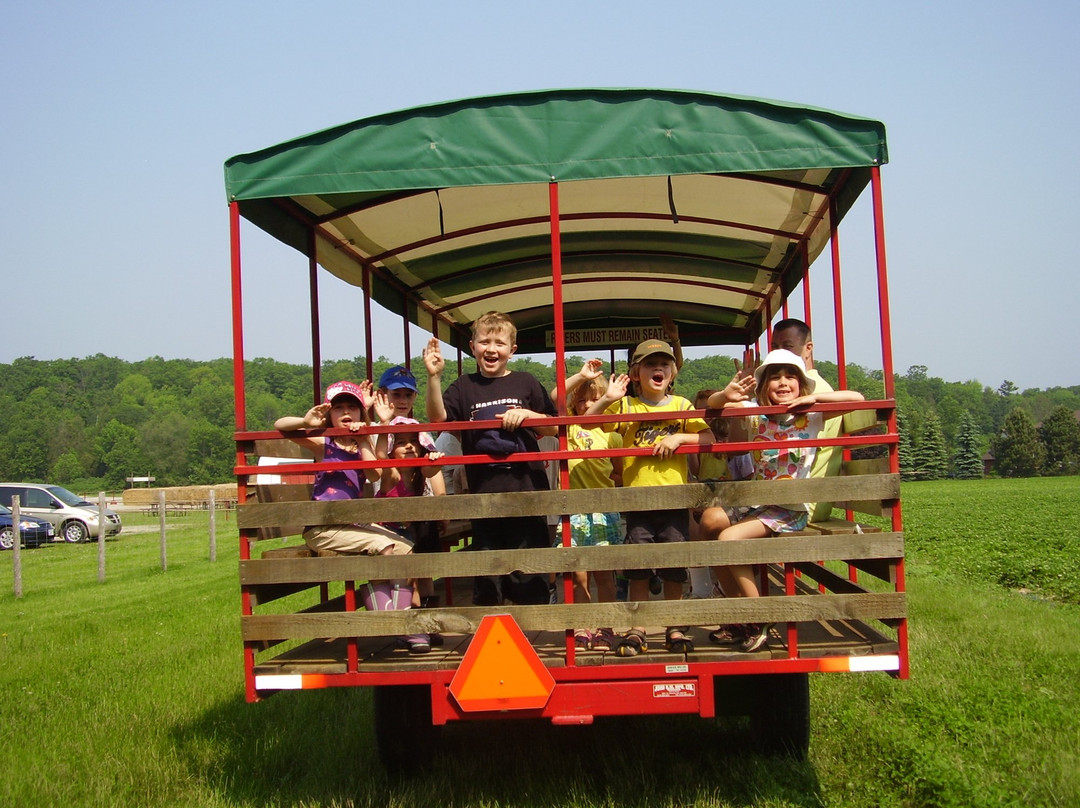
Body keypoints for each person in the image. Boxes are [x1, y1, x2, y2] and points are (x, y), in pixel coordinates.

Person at [706, 349, 865, 652]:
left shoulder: (812, 416)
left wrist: (814, 399)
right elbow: (715, 404)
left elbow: (857, 398)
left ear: (801, 385)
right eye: (775, 377)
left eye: (790, 376)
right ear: (763, 385)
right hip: (757, 502)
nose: (783, 382)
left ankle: (759, 615)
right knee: (710, 521)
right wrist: (728, 392)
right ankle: (737, 613)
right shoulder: (755, 413)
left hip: (788, 507)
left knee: (728, 540)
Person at [274, 380, 430, 654]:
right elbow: (280, 425)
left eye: (352, 408)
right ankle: (404, 627)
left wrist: (364, 437)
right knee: (387, 547)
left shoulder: (360, 444)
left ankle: (397, 621)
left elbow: (373, 473)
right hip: (325, 528)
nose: (346, 412)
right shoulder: (324, 443)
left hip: (352, 524)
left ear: (361, 413)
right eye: (339, 408)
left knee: (406, 548)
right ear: (329, 414)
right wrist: (306, 420)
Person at [587, 339, 714, 656]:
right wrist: (607, 398)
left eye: (664, 365)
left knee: (673, 565)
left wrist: (680, 437)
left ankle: (674, 624)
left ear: (672, 374)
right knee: (638, 566)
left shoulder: (682, 406)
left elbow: (708, 437)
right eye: (649, 364)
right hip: (638, 502)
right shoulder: (627, 407)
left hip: (673, 499)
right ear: (635, 373)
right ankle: (638, 627)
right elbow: (587, 423)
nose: (658, 368)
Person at [423, 311, 558, 606]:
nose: (491, 349)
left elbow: (555, 426)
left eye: (499, 343)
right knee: (488, 574)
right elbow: (436, 419)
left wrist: (528, 415)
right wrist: (434, 377)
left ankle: (530, 635)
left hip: (528, 491)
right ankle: (491, 640)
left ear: (512, 350)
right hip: (484, 493)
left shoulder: (526, 382)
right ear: (473, 347)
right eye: (485, 342)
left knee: (528, 570)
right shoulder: (463, 386)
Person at [551, 359, 623, 651]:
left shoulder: (611, 436)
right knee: (578, 575)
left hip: (604, 510)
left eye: (597, 399)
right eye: (583, 401)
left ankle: (605, 626)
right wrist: (580, 375)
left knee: (604, 575)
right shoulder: (567, 430)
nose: (589, 405)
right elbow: (554, 397)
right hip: (574, 510)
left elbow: (618, 473)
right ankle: (581, 623)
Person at [373, 408, 447, 644]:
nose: (408, 447)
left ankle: (430, 623)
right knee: (410, 577)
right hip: (392, 531)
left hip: (414, 527)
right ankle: (414, 627)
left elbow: (431, 470)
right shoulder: (391, 474)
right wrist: (384, 425)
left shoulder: (420, 473)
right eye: (401, 442)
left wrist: (434, 460)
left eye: (414, 442)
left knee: (425, 574)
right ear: (392, 449)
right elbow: (381, 460)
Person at [687, 387, 752, 599]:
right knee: (691, 520)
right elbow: (695, 472)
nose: (707, 417)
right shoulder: (696, 439)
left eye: (711, 411)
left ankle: (714, 586)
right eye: (702, 412)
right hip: (704, 495)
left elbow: (746, 473)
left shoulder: (730, 442)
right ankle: (701, 585)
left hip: (730, 497)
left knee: (712, 523)